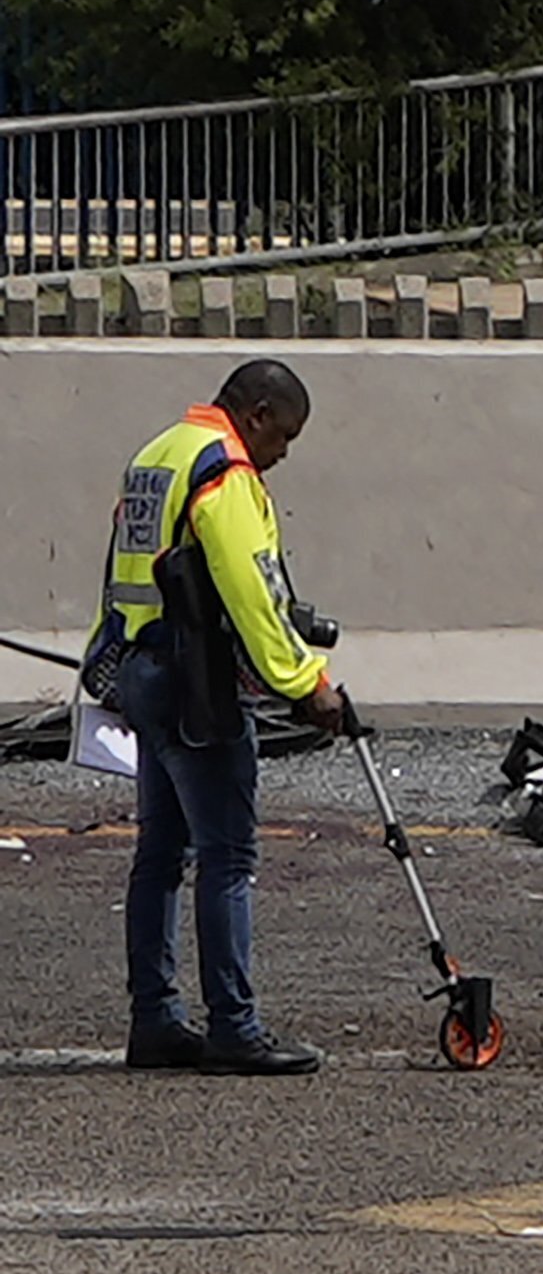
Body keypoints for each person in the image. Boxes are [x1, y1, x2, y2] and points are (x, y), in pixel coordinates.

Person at [86, 357, 347, 1072]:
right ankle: (235, 1027)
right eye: (284, 436)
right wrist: (304, 682)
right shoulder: (224, 472)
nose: (283, 454)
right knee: (227, 857)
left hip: (142, 668)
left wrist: (105, 661)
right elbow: (249, 591)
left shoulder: (156, 456)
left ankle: (156, 1020)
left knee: (159, 855)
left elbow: (120, 568)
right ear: (257, 414)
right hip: (196, 681)